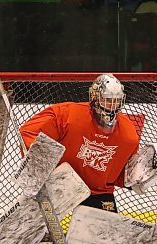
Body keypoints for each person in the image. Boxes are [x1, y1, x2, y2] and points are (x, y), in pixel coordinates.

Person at [20, 73, 139, 213]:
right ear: (94, 97)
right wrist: (45, 169)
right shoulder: (68, 115)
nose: (112, 105)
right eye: (107, 99)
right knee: (29, 228)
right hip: (58, 184)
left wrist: (137, 179)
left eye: (116, 100)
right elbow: (28, 133)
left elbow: (120, 175)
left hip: (97, 192)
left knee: (104, 232)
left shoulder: (128, 134)